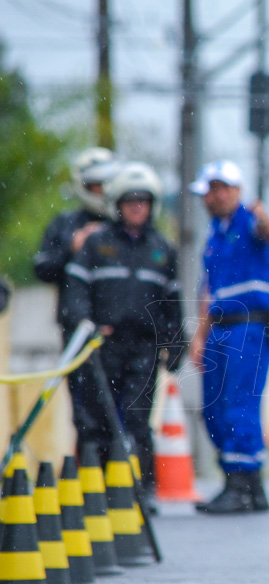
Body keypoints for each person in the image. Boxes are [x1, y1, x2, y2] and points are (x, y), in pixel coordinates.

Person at [63, 162, 183, 511]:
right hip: (102, 348)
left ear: (152, 205)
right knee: (96, 420)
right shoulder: (96, 243)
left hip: (143, 349)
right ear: (117, 204)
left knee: (137, 420)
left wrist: (175, 343)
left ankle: (141, 492)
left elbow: (173, 304)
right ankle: (95, 493)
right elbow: (76, 291)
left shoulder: (162, 249)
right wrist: (84, 324)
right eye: (129, 200)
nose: (136, 206)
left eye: (142, 201)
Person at [187, 160, 269, 515]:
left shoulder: (248, 222)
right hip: (220, 329)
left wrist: (264, 219)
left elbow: (267, 232)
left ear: (237, 191)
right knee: (213, 409)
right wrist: (199, 338)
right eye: (210, 190)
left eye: (223, 188)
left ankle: (239, 486)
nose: (216, 195)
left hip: (248, 327)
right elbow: (208, 291)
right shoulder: (214, 235)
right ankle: (251, 486)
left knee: (239, 405)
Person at [34, 147, 121, 454]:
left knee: (124, 410)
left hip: (119, 331)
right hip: (79, 328)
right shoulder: (66, 224)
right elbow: (42, 267)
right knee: (85, 411)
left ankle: (126, 482)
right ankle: (91, 480)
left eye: (108, 183)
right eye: (97, 185)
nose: (103, 191)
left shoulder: (124, 223)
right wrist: (72, 247)